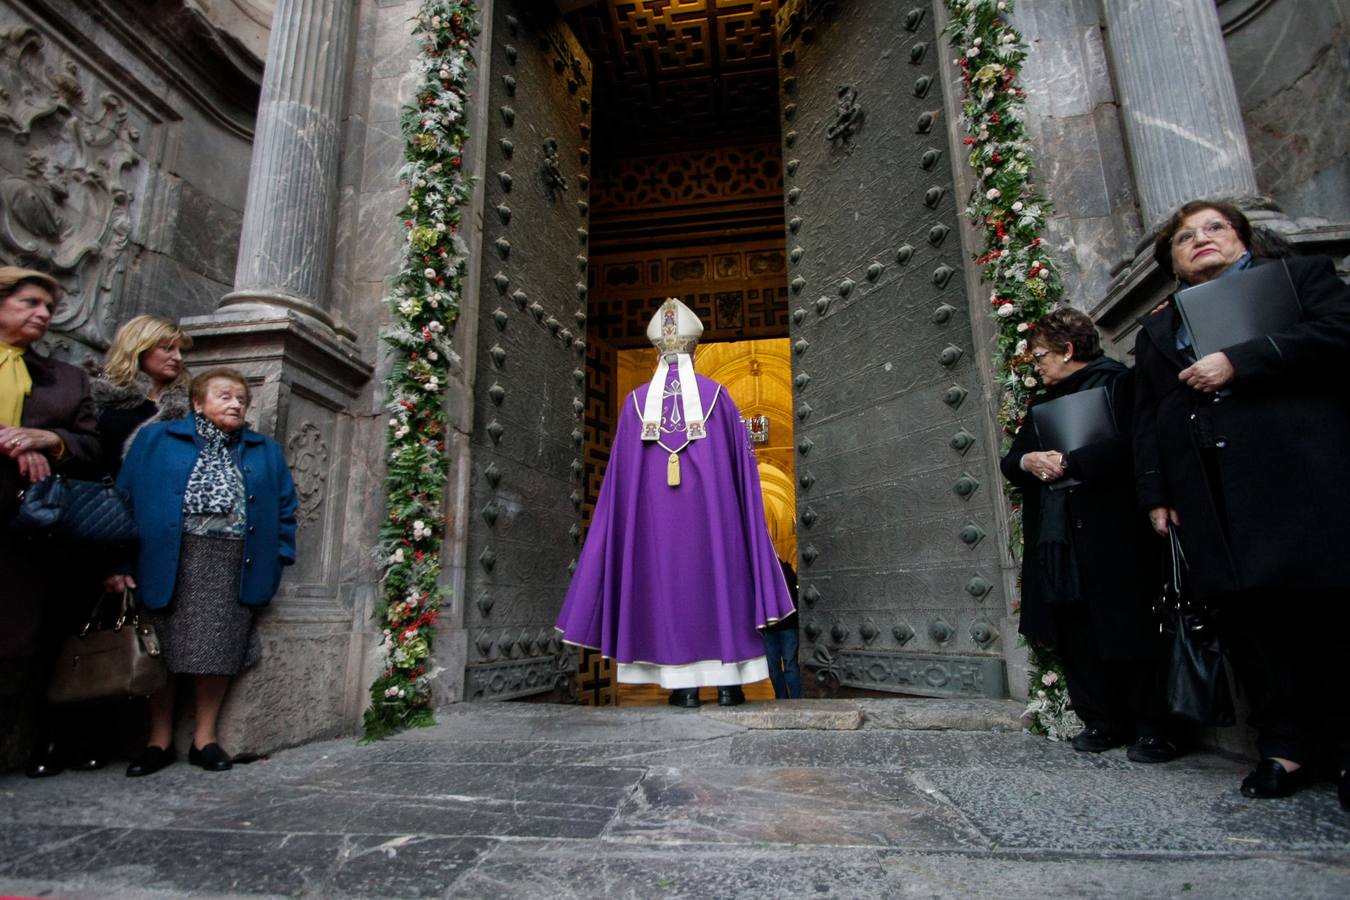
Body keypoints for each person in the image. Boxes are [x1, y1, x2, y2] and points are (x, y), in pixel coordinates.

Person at [1133, 198, 1350, 807]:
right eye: (1184, 237)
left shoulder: (1299, 280)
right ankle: (1283, 746)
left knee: (1327, 615)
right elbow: (1149, 414)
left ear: (1242, 236)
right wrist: (1157, 491)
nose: (1200, 239)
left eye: (1214, 228)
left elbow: (1339, 335)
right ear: (1172, 261)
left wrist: (1240, 362)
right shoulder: (1160, 325)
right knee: (1248, 623)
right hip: (1211, 495)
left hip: (1299, 477)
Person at [555, 298, 795, 708]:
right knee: (721, 583)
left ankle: (682, 689)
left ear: (657, 351)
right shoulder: (719, 399)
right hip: (718, 532)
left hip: (656, 537)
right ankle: (728, 686)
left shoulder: (633, 406)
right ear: (694, 350)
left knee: (667, 585)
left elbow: (619, 486)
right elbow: (743, 474)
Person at [1001, 308, 1174, 762]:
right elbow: (1012, 460)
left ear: (1068, 350)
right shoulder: (1040, 405)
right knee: (1075, 630)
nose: (1036, 364)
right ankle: (1100, 720)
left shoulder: (1118, 383)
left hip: (1112, 528)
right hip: (1058, 538)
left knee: (1129, 626)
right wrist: (1028, 462)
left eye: (1040, 355)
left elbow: (1136, 444)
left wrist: (1074, 463)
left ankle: (1154, 726)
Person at [106, 367, 297, 776]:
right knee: (162, 649)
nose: (235, 404)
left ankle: (204, 739)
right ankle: (157, 742)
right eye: (225, 396)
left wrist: (279, 556)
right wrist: (118, 562)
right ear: (197, 403)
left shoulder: (264, 450)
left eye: (242, 400)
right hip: (168, 557)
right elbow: (123, 500)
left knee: (218, 650)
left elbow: (285, 509)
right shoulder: (156, 440)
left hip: (232, 562)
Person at [0, 266, 100, 776]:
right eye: (30, 303)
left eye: (48, 308)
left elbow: (90, 448)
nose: (42, 314)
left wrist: (48, 441)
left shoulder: (67, 380)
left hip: (29, 525)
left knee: (19, 640)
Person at [91, 315, 192, 476]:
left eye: (180, 351)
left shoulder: (190, 405)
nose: (178, 357)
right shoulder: (102, 392)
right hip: (100, 494)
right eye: (167, 348)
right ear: (139, 349)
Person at [762, 558, 801, 699]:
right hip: (780, 627)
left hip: (781, 627)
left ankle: (788, 698)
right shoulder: (787, 569)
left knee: (778, 666)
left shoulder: (779, 570)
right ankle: (789, 699)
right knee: (785, 665)